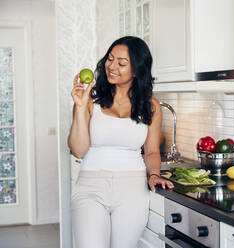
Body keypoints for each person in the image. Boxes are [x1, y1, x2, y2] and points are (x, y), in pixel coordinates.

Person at [68, 36, 174, 248]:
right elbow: (78, 150)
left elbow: (152, 151)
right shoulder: (91, 101)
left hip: (132, 189)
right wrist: (80, 107)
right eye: (110, 59)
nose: (112, 66)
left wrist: (154, 174)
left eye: (121, 63)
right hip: (91, 187)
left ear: (136, 70)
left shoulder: (151, 106)